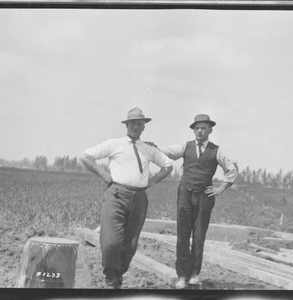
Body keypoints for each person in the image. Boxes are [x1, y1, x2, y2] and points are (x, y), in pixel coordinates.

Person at [80, 107, 173, 289]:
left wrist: (152, 181)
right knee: (111, 241)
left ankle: (117, 277)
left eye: (140, 123)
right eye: (133, 123)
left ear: (144, 126)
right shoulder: (115, 144)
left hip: (139, 198)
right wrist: (103, 174)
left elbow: (168, 165)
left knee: (130, 244)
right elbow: (86, 157)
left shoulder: (148, 149)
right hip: (116, 195)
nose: (136, 127)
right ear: (127, 125)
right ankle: (110, 276)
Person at [158, 114, 238, 289]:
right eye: (197, 128)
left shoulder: (216, 150)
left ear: (210, 130)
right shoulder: (185, 147)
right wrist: (151, 148)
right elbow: (166, 152)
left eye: (203, 128)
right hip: (185, 194)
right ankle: (181, 275)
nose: (199, 131)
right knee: (182, 236)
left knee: (199, 236)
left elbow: (231, 171)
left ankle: (194, 273)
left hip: (204, 197)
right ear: (193, 130)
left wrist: (220, 189)